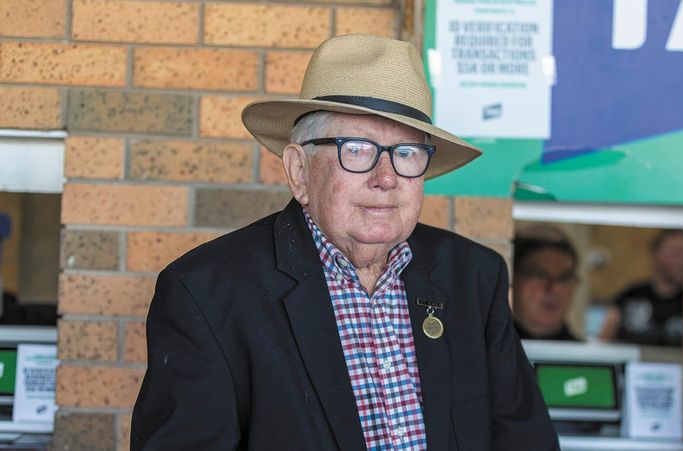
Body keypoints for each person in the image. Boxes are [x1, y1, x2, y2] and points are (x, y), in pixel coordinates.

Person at [131, 35, 558, 450]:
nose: (386, 178)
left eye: (406, 153)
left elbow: (525, 440)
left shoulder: (473, 276)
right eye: (356, 149)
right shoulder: (206, 293)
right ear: (299, 170)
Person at [599, 230, 683, 347]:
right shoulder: (630, 297)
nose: (680, 261)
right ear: (656, 254)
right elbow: (603, 342)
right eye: (674, 253)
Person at [513, 227, 580, 341]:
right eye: (540, 276)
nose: (555, 288)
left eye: (563, 278)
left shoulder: (583, 352)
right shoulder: (488, 347)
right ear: (513, 280)